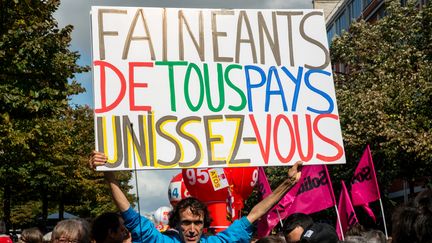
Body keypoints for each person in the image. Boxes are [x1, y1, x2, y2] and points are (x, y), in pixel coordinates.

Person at [89, 151, 303, 243]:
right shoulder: (159, 240)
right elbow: (127, 210)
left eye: (197, 222)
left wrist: (288, 183)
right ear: (176, 223)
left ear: (204, 224)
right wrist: (108, 171)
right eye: (186, 222)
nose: (192, 229)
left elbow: (256, 213)